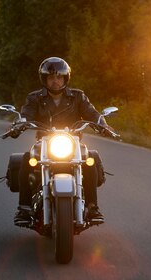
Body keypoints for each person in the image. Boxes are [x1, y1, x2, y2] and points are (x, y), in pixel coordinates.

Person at [13, 57, 114, 227]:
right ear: (44, 79)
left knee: (88, 160)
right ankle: (23, 208)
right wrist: (19, 124)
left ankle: (92, 206)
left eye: (59, 77)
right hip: (44, 142)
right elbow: (26, 114)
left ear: (65, 78)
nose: (55, 81)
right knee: (26, 160)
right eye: (51, 77)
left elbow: (92, 113)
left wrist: (103, 125)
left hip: (72, 143)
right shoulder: (35, 98)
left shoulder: (78, 96)